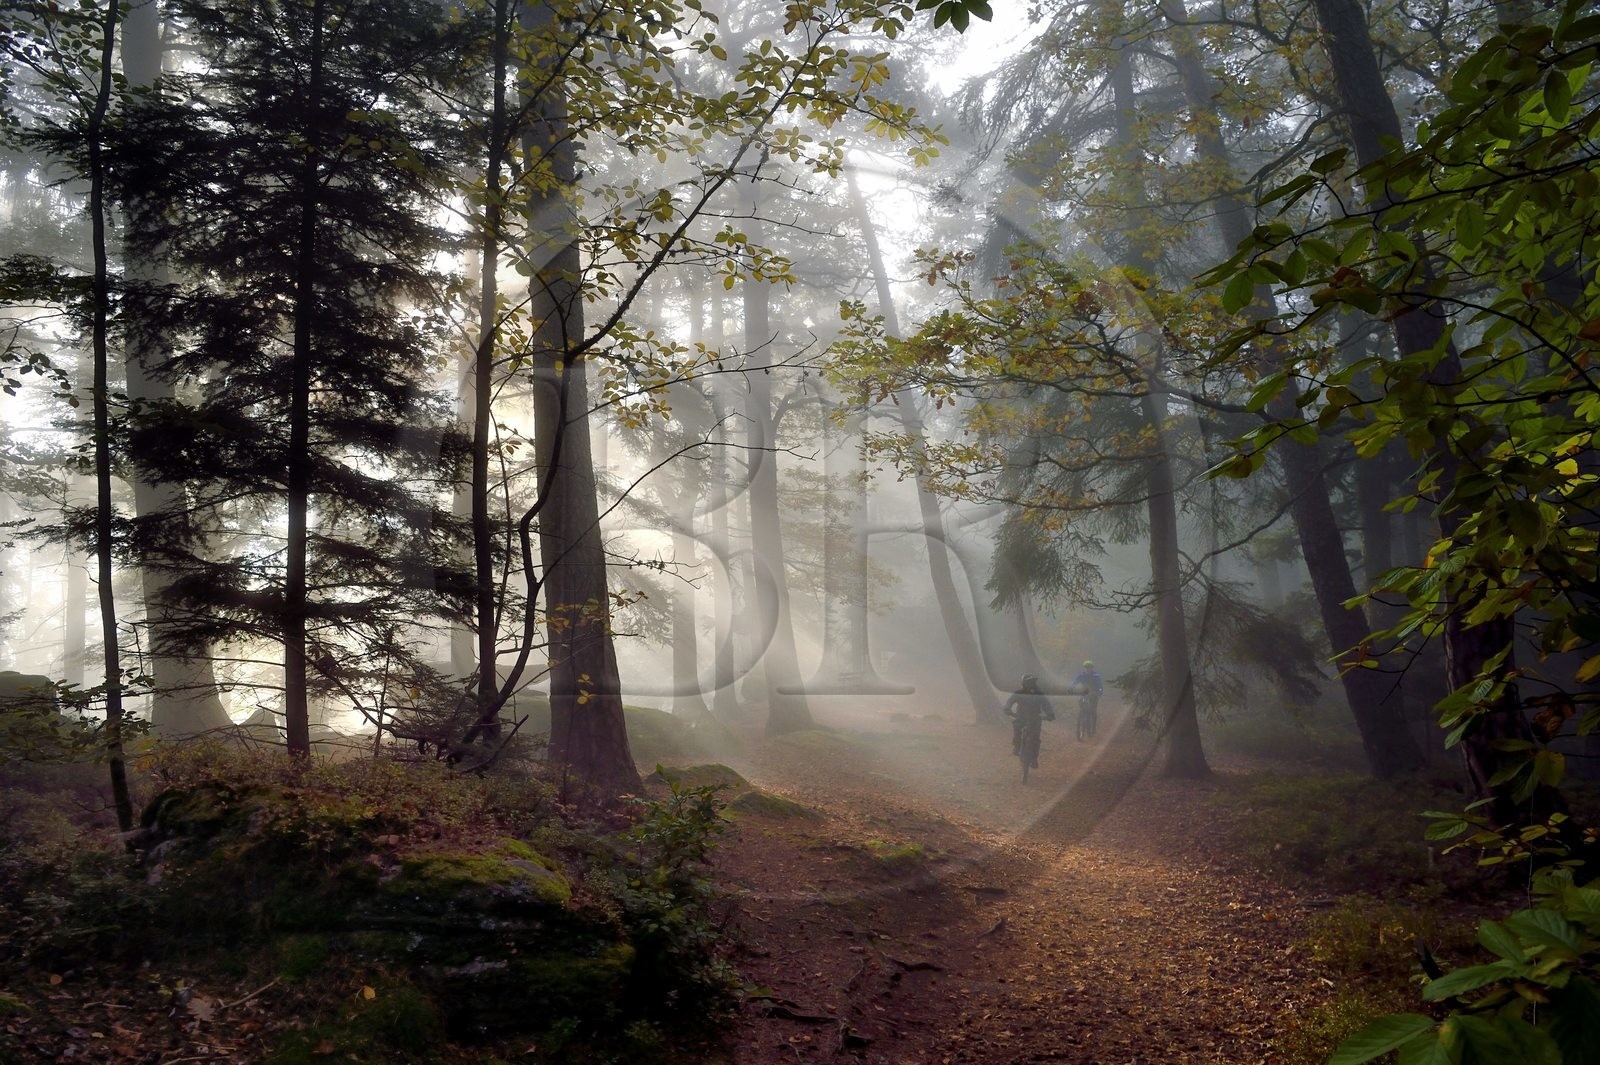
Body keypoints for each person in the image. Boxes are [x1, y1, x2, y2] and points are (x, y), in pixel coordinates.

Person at [1002, 673, 1055, 768]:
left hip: (1035, 718)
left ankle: (1034, 759)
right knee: (1017, 728)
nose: (1030, 685)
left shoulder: (1039, 694)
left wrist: (1050, 714)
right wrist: (1007, 709)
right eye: (1028, 683)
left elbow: (1046, 704)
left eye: (1031, 683)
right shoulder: (1018, 693)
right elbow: (1010, 701)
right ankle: (1017, 746)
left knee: (1036, 739)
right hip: (1021, 716)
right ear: (1023, 683)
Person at [1071, 660, 1104, 740]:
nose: (1088, 669)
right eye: (1086, 668)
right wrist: (1071, 688)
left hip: (1093, 695)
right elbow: (1074, 683)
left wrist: (1100, 692)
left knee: (1093, 711)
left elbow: (1100, 686)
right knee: (1082, 707)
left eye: (1089, 668)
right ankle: (1081, 719)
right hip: (1084, 694)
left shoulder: (1096, 676)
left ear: (1092, 668)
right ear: (1084, 668)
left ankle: (1093, 728)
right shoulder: (1081, 676)